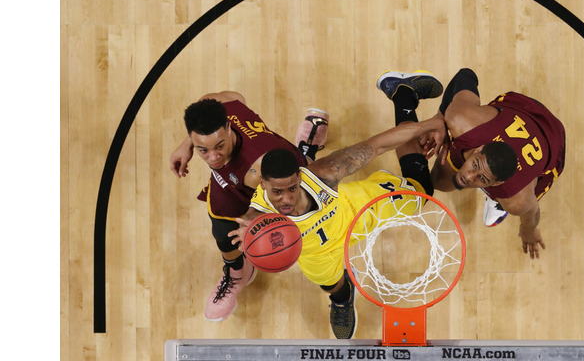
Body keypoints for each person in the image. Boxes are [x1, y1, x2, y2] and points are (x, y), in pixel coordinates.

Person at [228, 72, 445, 339]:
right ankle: (343, 301)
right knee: (334, 286)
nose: (285, 200)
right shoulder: (259, 217)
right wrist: (249, 233)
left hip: (358, 211)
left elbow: (378, 145)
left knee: (423, 193)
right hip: (317, 253)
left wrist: (433, 123)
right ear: (262, 184)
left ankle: (403, 94)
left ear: (300, 176)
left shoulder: (324, 174)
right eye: (276, 191)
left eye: (292, 189)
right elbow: (250, 218)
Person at [169, 91, 329, 321]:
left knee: (298, 191)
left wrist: (253, 221)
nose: (213, 157)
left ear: (229, 127)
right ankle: (239, 272)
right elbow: (232, 96)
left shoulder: (257, 170)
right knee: (222, 231)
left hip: (276, 180)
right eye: (203, 149)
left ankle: (307, 151)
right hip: (235, 180)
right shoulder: (225, 109)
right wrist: (187, 145)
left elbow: (292, 204)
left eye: (219, 146)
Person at [420, 68, 566, 260]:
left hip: (551, 142)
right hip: (525, 110)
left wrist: (529, 230)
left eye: (483, 178)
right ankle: (485, 179)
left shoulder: (517, 198)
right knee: (437, 182)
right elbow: (466, 75)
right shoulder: (461, 119)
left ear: (497, 184)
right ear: (479, 149)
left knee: (509, 200)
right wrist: (439, 118)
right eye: (474, 166)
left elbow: (532, 212)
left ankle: (495, 200)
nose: (469, 176)